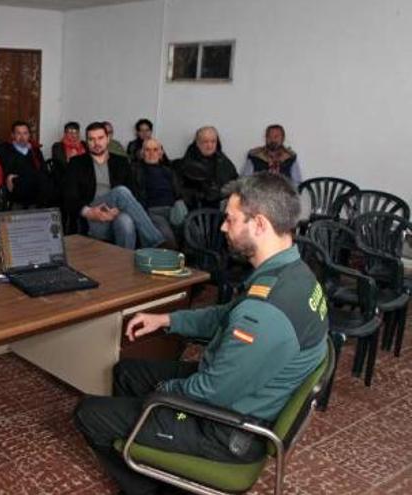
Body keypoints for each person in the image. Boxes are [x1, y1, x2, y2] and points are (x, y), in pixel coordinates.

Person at [74, 173, 328, 495]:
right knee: (126, 372)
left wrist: (161, 392)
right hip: (243, 390)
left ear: (260, 225)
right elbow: (228, 315)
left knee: (89, 413)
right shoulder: (295, 273)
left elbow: (208, 391)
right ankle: (155, 460)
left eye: (230, 219)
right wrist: (167, 319)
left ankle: (150, 487)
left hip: (225, 429)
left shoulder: (264, 315)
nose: (223, 227)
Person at [63, 122, 164, 249]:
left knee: (126, 221)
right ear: (87, 142)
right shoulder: (76, 163)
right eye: (91, 139)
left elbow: (133, 193)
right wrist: (88, 212)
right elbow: (69, 197)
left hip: (115, 214)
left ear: (108, 139)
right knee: (121, 191)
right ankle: (156, 241)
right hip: (93, 217)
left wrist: (118, 209)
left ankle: (125, 266)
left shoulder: (121, 162)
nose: (96, 143)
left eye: (100, 138)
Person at [130, 138, 184, 248]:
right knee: (167, 239)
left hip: (173, 210)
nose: (151, 153)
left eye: (155, 150)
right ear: (142, 153)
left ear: (161, 153)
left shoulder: (169, 171)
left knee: (194, 233)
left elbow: (179, 192)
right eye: (147, 150)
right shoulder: (135, 170)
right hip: (153, 211)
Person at [0, 120, 52, 208]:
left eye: (25, 133)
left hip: (34, 181)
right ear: (12, 135)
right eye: (18, 133)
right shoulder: (2, 150)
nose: (22, 137)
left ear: (29, 135)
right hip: (15, 183)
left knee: (47, 182)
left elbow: (43, 169)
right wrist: (7, 177)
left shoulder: (35, 150)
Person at [175, 125, 238, 209]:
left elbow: (235, 180)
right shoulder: (186, 163)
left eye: (213, 142)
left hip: (221, 209)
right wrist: (202, 195)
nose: (210, 146)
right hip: (196, 211)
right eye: (205, 142)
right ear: (197, 143)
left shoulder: (223, 161)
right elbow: (182, 192)